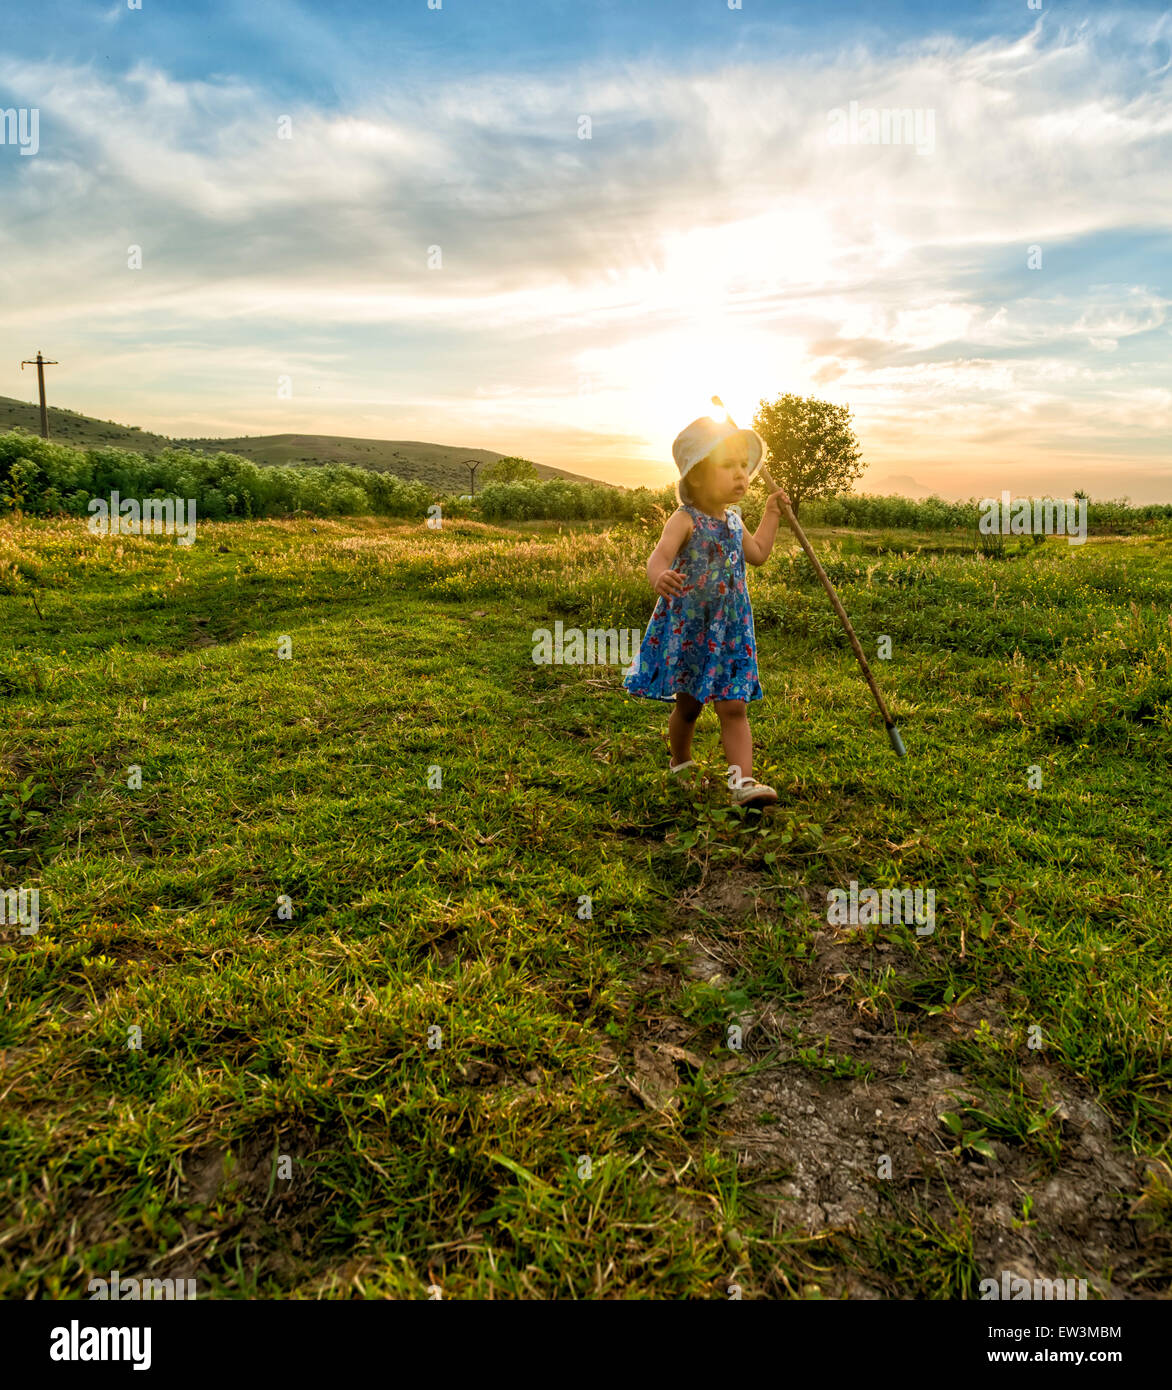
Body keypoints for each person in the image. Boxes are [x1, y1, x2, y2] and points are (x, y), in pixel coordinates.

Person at [624, 412, 790, 808]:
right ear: (696, 476)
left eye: (742, 466)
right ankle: (680, 762)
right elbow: (658, 556)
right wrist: (659, 576)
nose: (741, 475)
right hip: (691, 629)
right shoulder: (685, 519)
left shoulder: (733, 521)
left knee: (734, 705)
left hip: (731, 630)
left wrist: (770, 514)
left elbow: (759, 554)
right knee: (689, 705)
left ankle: (742, 783)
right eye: (727, 466)